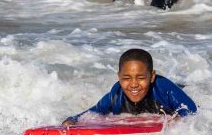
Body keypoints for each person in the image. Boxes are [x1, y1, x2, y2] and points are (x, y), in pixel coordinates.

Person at [61, 48, 197, 126]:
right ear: (119, 77)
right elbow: (94, 111)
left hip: (179, 89)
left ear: (152, 76)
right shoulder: (116, 94)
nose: (133, 84)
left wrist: (177, 121)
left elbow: (191, 110)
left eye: (141, 78)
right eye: (126, 78)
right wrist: (72, 120)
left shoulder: (164, 89)